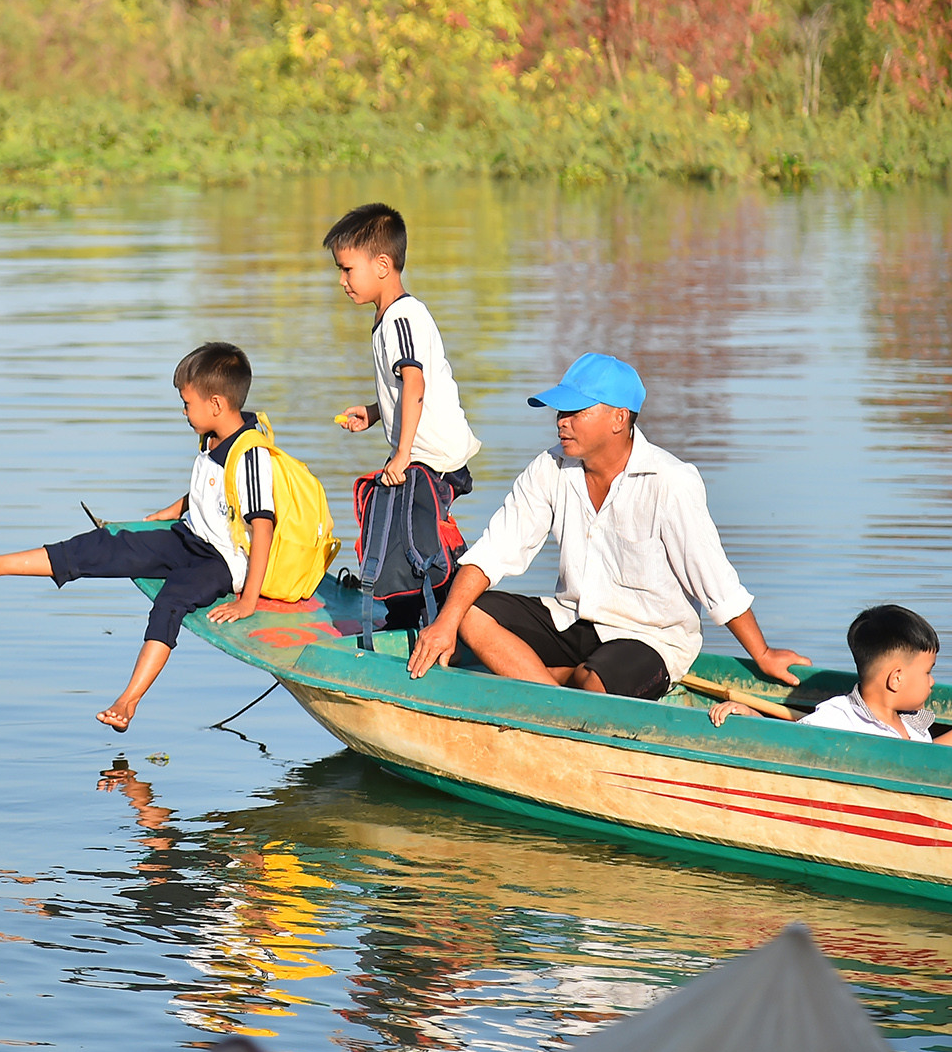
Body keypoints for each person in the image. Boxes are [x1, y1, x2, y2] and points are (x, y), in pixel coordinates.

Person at [407, 353, 811, 698]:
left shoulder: (671, 481)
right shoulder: (550, 467)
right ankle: (554, 702)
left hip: (648, 637)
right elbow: (495, 551)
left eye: (576, 412)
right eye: (561, 412)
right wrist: (445, 625)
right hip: (572, 618)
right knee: (468, 611)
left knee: (597, 686)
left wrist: (762, 654)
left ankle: (557, 685)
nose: (561, 422)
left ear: (619, 418)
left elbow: (715, 582)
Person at [0, 342, 279, 732]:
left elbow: (262, 525)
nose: (183, 411)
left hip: (221, 561)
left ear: (215, 404)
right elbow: (219, 489)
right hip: (188, 536)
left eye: (187, 403)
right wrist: (174, 509)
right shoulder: (214, 436)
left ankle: (128, 700)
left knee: (171, 602)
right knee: (107, 545)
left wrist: (249, 599)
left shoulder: (253, 455)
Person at [326, 202, 481, 627]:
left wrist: (402, 455)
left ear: (381, 264)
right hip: (422, 453)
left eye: (346, 269)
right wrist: (377, 413)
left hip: (430, 457)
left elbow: (415, 382)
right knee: (411, 538)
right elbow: (405, 387)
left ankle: (442, 617)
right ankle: (428, 613)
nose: (342, 281)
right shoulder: (391, 317)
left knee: (411, 543)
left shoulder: (400, 317)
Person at [709, 604, 952, 746]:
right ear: (895, 678)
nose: (932, 681)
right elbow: (791, 741)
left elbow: (931, 756)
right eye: (927, 672)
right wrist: (749, 714)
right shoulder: (839, 717)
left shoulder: (910, 723)